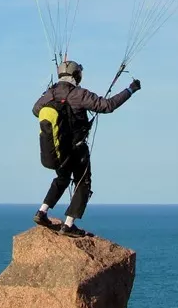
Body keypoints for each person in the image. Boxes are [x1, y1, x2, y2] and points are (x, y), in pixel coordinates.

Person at [33, 58, 141, 237]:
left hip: (59, 148)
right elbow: (107, 106)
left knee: (62, 178)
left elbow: (36, 110)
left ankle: (42, 212)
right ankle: (68, 225)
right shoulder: (78, 94)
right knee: (83, 182)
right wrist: (130, 89)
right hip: (77, 148)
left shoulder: (49, 93)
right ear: (77, 75)